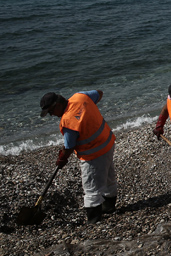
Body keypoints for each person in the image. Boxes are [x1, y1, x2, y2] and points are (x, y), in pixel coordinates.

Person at [40, 90, 117, 224]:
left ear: (58, 104)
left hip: (93, 155)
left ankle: (93, 219)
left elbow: (69, 146)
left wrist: (62, 158)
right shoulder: (81, 97)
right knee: (108, 177)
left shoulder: (68, 120)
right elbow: (99, 93)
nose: (52, 115)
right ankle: (109, 207)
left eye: (51, 111)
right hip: (107, 143)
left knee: (91, 188)